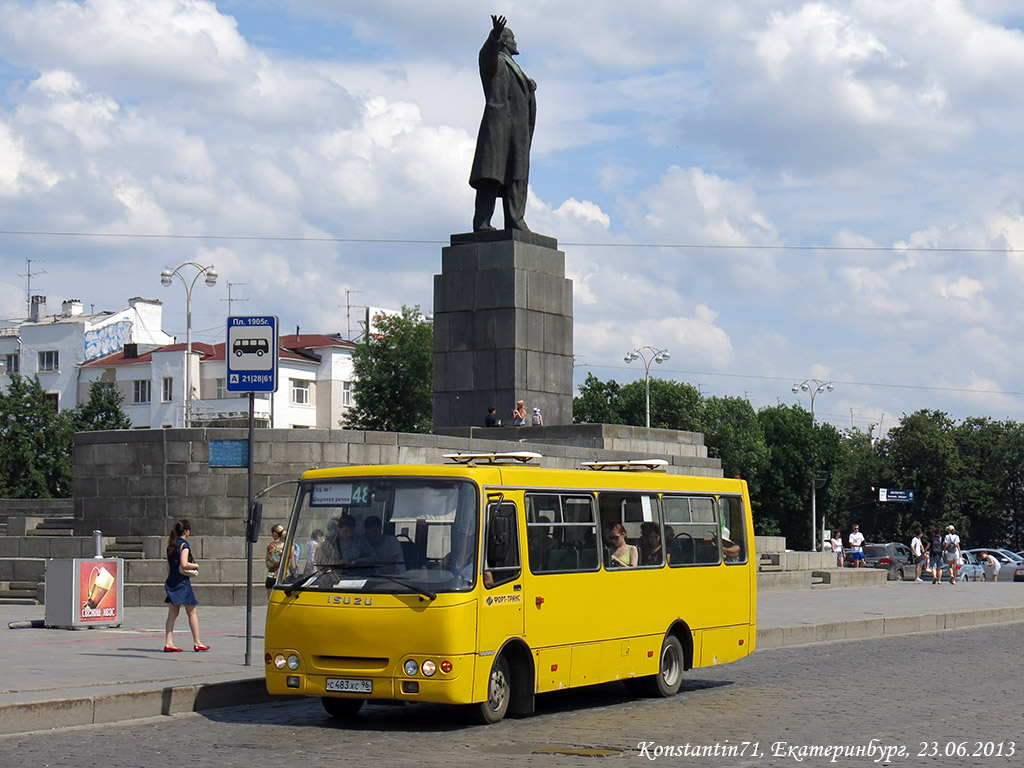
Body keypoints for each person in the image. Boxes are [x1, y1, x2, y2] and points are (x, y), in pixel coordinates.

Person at [470, 14, 537, 232]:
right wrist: (494, 36)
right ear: (505, 42)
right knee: (491, 176)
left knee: (516, 176)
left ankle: (515, 220)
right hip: (498, 128)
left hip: (517, 132)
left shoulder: (516, 68)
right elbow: (485, 57)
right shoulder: (496, 62)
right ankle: (482, 222)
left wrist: (529, 88)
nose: (516, 42)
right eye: (512, 38)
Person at [163, 519, 208, 652]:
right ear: (186, 531)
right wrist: (196, 565)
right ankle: (197, 642)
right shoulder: (184, 545)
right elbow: (184, 564)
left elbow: (169, 566)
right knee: (192, 612)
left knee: (172, 614)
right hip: (182, 582)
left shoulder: (171, 544)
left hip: (172, 581)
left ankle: (168, 642)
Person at [265, 524, 287, 598]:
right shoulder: (286, 545)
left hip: (272, 574)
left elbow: (271, 561)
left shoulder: (271, 546)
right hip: (285, 574)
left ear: (274, 534)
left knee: (271, 598)